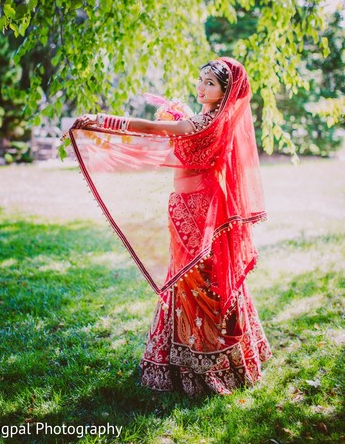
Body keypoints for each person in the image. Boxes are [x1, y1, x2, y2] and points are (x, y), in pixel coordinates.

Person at [70, 57, 271, 396]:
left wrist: (101, 121)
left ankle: (200, 361)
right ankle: (228, 356)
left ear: (225, 91)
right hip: (196, 205)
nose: (201, 86)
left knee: (192, 278)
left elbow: (151, 129)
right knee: (203, 277)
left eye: (210, 82)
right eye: (201, 79)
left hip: (194, 209)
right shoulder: (219, 124)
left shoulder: (200, 124)